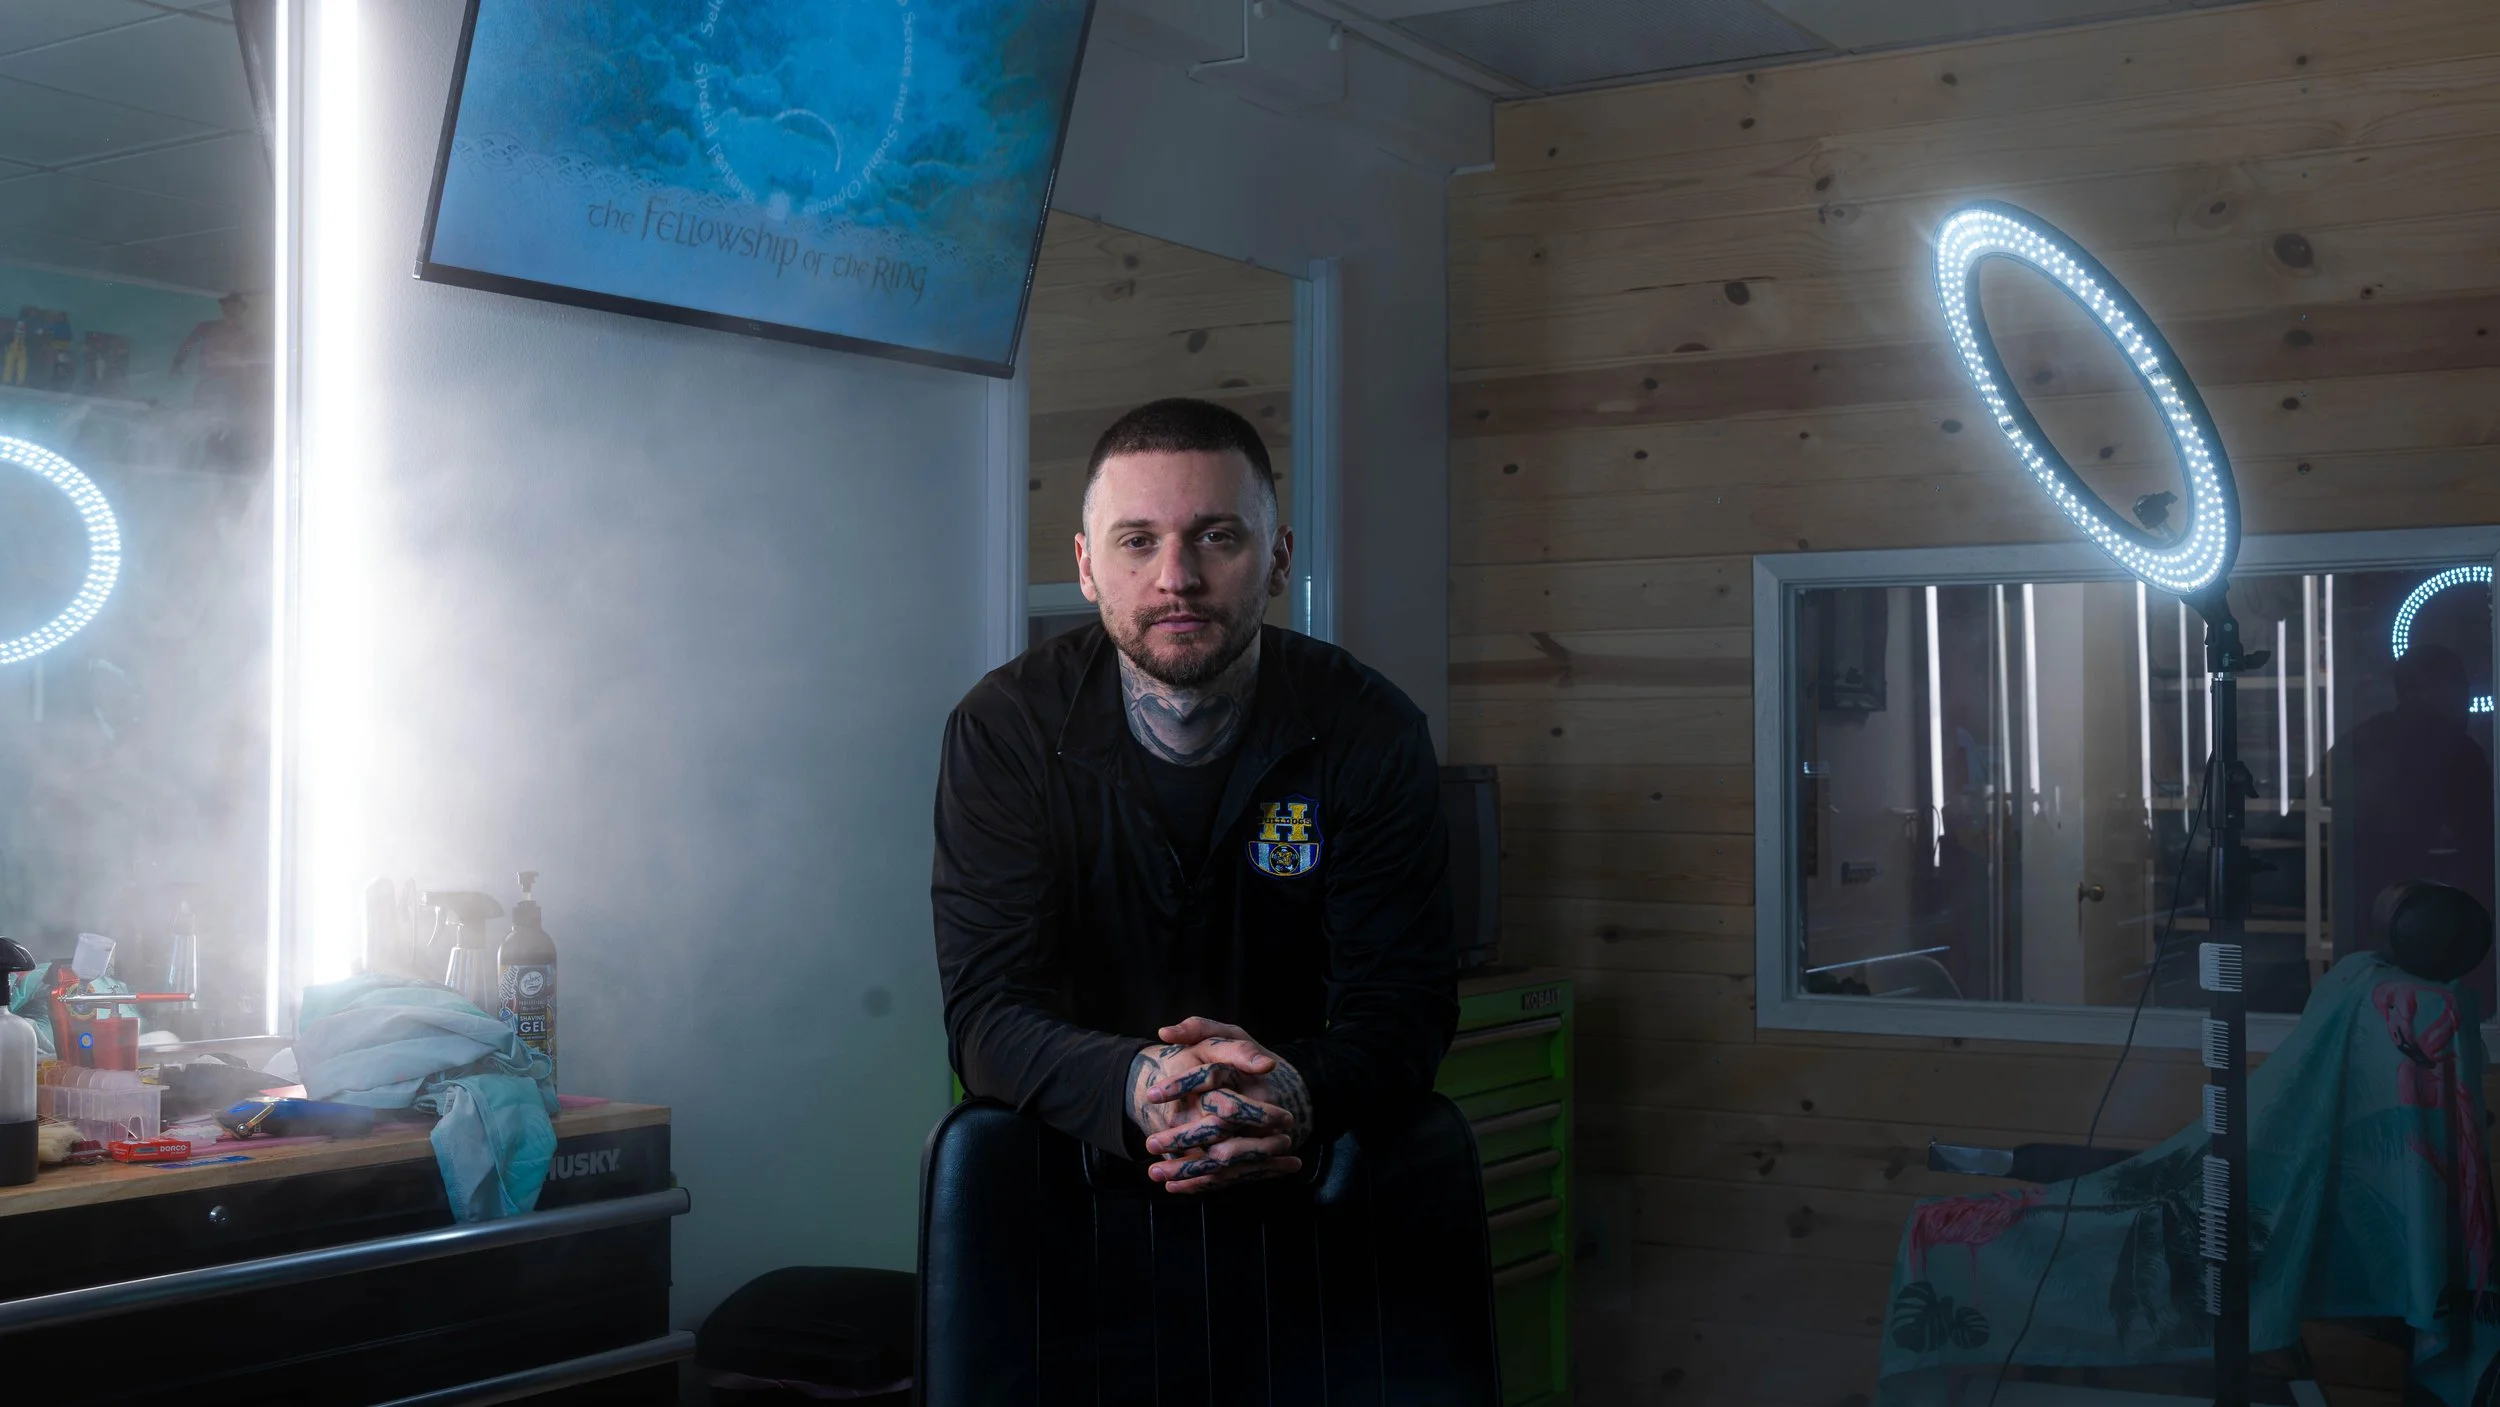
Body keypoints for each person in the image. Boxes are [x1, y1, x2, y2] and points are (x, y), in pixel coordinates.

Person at [931, 397, 1455, 1193]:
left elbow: (1405, 1008)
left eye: (1216, 536)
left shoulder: (1370, 729)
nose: (1176, 578)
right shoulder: (1006, 729)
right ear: (1086, 566)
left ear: (1278, 558)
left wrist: (1287, 1090)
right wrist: (1148, 1085)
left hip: (1305, 1170)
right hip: (1063, 1174)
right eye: (1137, 541)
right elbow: (986, 1014)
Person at [2331, 642, 2497, 1009]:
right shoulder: (2457, 750)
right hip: (2440, 923)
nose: (2466, 702)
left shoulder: (2360, 740)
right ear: (2427, 692)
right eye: (2459, 690)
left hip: (2367, 917)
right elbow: (2480, 841)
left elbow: (2311, 808)